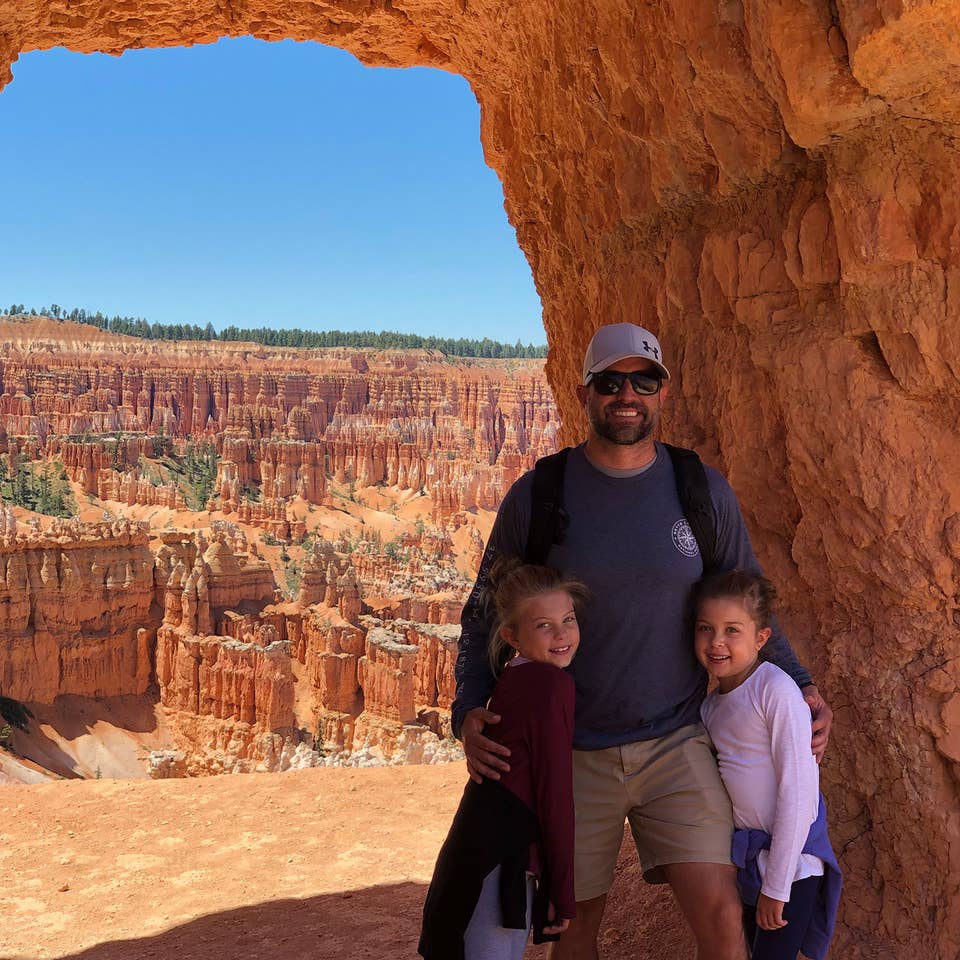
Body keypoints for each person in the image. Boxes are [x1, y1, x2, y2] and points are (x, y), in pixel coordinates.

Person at [453, 322, 834, 960]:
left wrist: (798, 682)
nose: (627, 394)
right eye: (610, 382)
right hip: (572, 751)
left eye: (643, 380)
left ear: (662, 392)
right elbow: (484, 611)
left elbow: (748, 597)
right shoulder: (539, 495)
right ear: (586, 394)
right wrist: (467, 709)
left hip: (678, 741)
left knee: (721, 919)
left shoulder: (699, 490)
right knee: (573, 929)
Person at [419, 560, 589, 960]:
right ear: (511, 635)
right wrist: (561, 893)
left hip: (474, 852)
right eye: (543, 625)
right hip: (498, 865)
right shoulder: (551, 685)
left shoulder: (516, 674)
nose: (562, 633)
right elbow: (555, 796)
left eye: (568, 619)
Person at [694, 570, 841, 960]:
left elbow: (799, 792)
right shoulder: (711, 708)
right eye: (706, 628)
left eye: (732, 630)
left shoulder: (774, 691)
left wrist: (778, 886)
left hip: (791, 866)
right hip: (750, 865)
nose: (717, 642)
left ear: (761, 638)